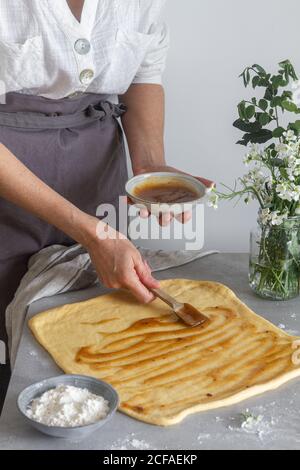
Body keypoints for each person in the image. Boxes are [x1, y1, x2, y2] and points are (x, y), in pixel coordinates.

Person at [0, 0, 213, 410]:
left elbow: (144, 72)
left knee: (92, 320)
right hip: (10, 178)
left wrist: (151, 167)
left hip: (96, 170)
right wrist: (92, 233)